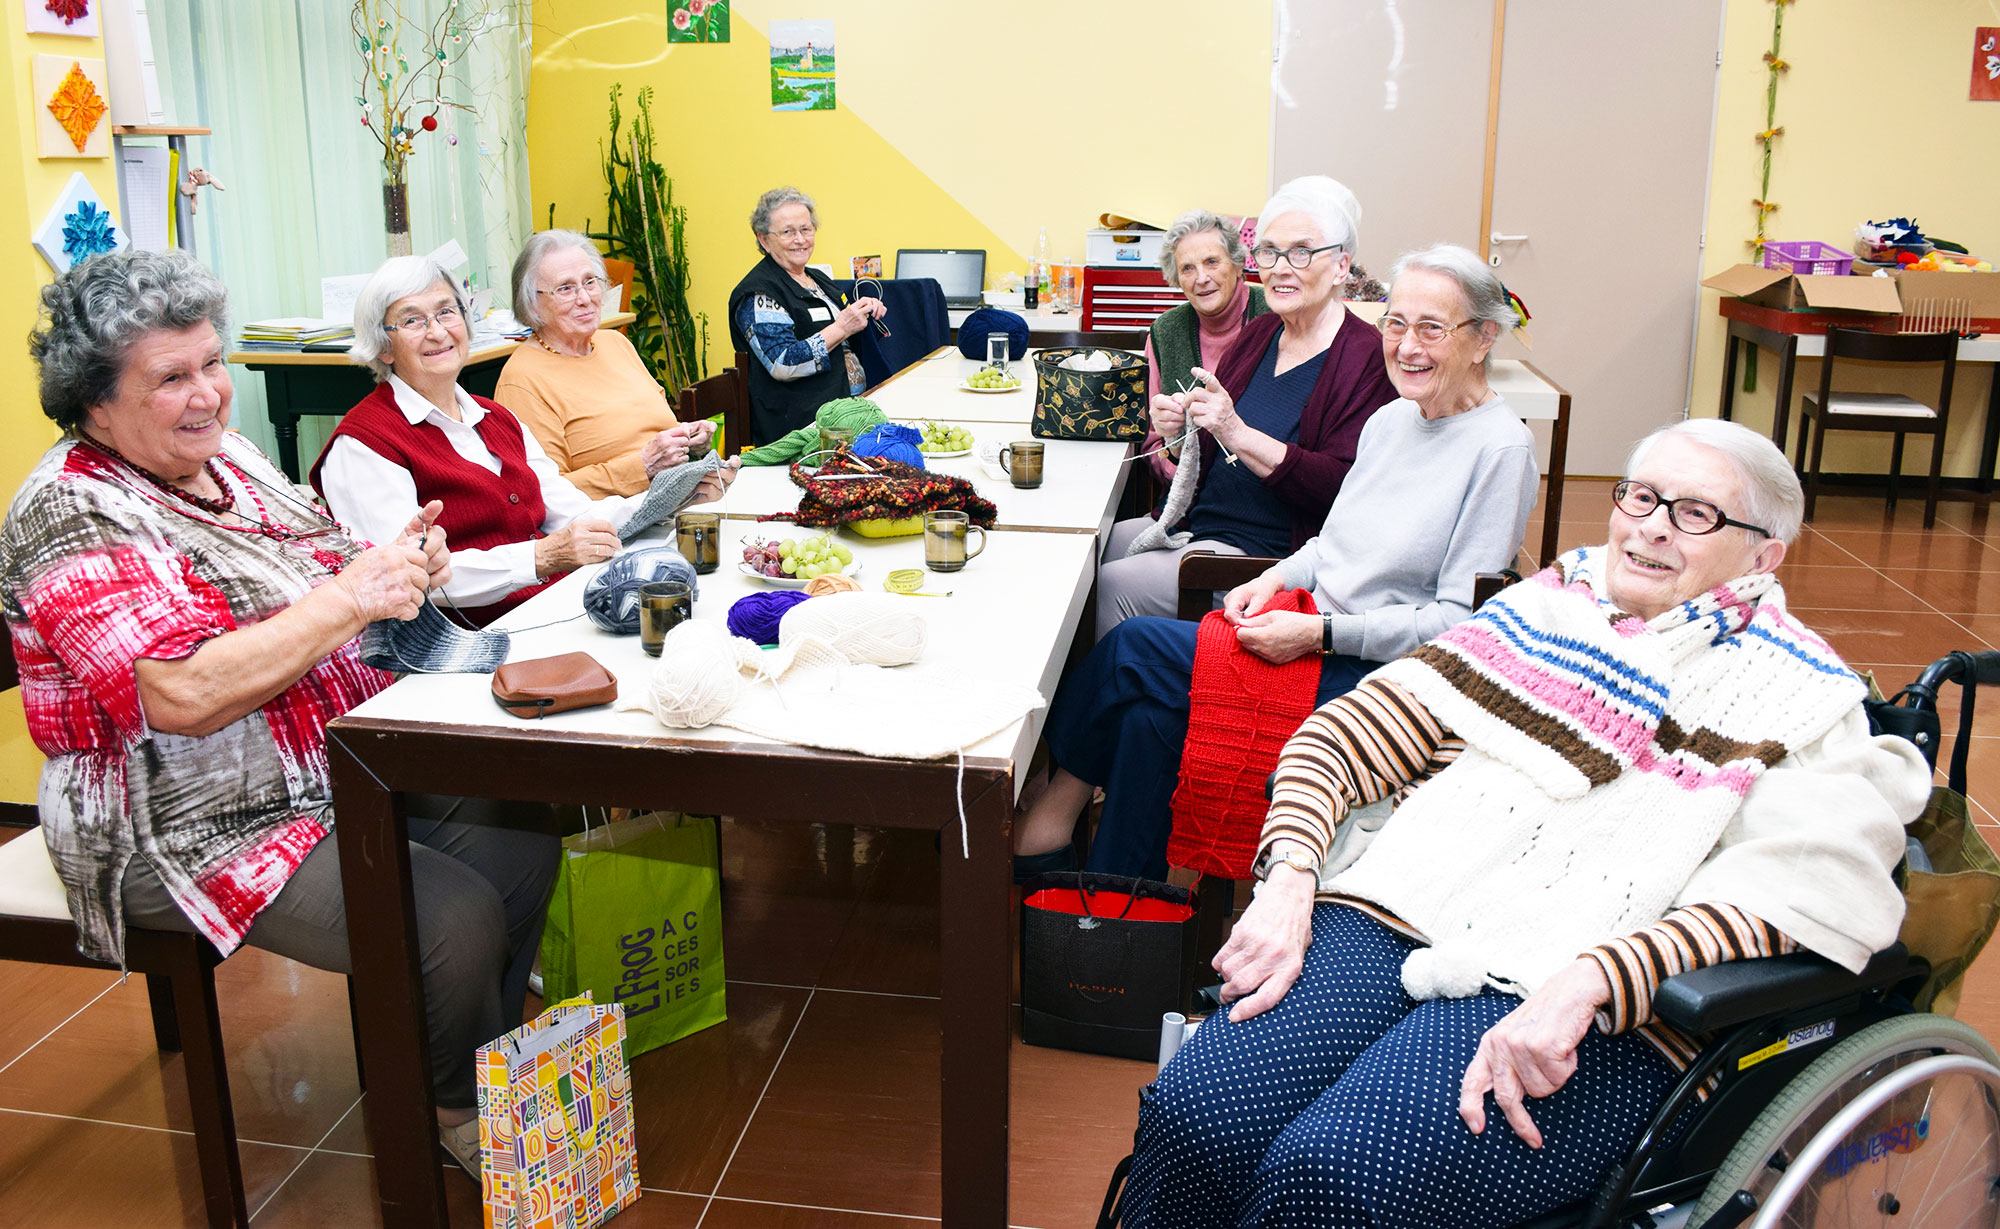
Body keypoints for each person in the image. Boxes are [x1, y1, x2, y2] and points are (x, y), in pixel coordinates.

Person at [1117, 418, 1934, 1228]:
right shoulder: (1549, 608)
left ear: (1765, 555)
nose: (1651, 526)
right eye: (1642, 497)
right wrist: (1291, 873)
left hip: (1595, 992)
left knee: (1336, 1174)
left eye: (1695, 513)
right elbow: (1351, 731)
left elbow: (1793, 888)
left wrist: (1595, 980)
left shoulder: (1799, 692)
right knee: (1199, 1115)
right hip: (1405, 907)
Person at [0, 249, 559, 1181]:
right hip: (179, 818)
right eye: (171, 377)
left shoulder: (234, 460)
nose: (209, 394)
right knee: (449, 916)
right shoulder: (70, 510)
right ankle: (451, 1106)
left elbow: (333, 564)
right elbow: (178, 692)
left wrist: (399, 562)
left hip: (332, 757)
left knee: (519, 833)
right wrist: (352, 598)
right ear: (95, 402)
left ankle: (454, 1057)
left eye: (213, 362)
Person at [1016, 243, 1539, 881]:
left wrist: (1318, 634)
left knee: (1132, 649)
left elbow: (1457, 623)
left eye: (1432, 328)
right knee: (1146, 721)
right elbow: (1330, 546)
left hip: (1371, 677)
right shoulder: (1393, 420)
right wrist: (1272, 578)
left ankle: (1049, 812)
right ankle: (1123, 912)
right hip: (1312, 625)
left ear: (1484, 338)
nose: (1406, 346)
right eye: (1395, 324)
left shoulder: (1500, 449)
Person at [313, 254, 735, 626]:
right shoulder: (363, 444)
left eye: (447, 312)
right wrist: (541, 558)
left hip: (547, 614)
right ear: (383, 347)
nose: (438, 332)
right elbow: (399, 579)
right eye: (412, 320)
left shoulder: (496, 418)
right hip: (461, 646)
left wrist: (676, 494)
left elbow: (573, 515)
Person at [1098, 176, 1399, 641]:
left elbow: (1342, 489)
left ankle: (1127, 694)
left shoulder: (1364, 359)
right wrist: (1179, 431)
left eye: (1301, 252)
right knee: (1097, 544)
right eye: (1271, 252)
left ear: (1341, 266)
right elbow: (1207, 447)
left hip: (1267, 555)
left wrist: (1235, 430)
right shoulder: (1261, 335)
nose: (1280, 267)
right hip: (1205, 521)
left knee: (1114, 583)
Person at [492, 229, 715, 498]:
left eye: (590, 282)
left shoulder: (615, 343)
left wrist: (688, 441)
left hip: (676, 494)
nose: (585, 298)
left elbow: (654, 429)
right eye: (565, 288)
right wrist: (642, 466)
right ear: (533, 304)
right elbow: (544, 493)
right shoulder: (522, 379)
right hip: (610, 524)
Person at [727, 186, 887, 447]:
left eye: (806, 229)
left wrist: (863, 310)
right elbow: (783, 363)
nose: (800, 239)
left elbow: (841, 326)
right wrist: (843, 326)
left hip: (847, 417)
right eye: (788, 232)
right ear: (764, 239)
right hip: (803, 430)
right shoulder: (758, 293)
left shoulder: (817, 279)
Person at [1135, 209, 1270, 489]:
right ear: (1176, 278)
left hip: (1268, 496)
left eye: (1212, 262)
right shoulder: (1164, 332)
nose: (1201, 278)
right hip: (1192, 504)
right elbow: (1151, 447)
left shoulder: (1274, 314)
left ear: (1236, 264)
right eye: (1187, 268)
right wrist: (1170, 444)